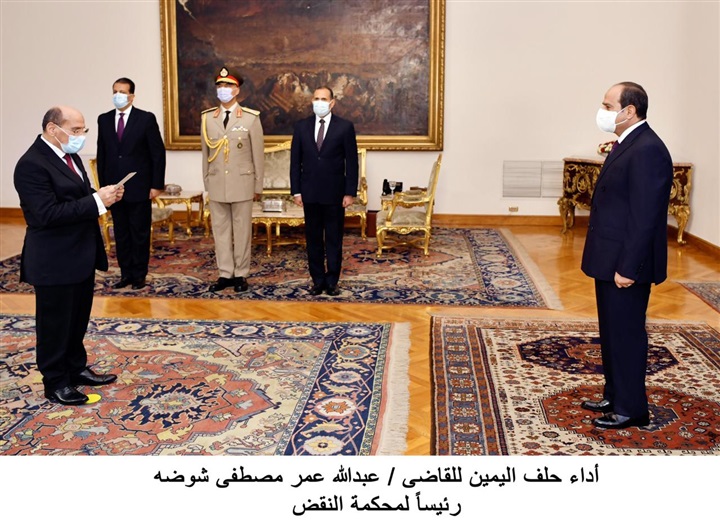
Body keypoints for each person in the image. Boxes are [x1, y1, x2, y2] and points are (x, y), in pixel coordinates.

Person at [14, 106, 124, 405]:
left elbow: (78, 196)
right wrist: (96, 201)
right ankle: (55, 382)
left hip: (79, 254)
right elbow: (45, 215)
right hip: (54, 259)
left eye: (82, 130)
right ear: (53, 129)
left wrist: (104, 196)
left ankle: (75, 369)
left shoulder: (68, 156)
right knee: (55, 325)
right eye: (75, 130)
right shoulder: (31, 164)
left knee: (76, 319)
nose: (80, 136)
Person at [580, 82, 673, 429]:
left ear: (629, 110)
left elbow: (645, 216)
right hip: (610, 258)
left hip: (626, 263)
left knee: (627, 335)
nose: (602, 111)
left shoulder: (648, 149)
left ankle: (632, 409)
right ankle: (615, 395)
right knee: (611, 332)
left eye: (608, 105)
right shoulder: (628, 142)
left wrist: (628, 267)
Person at [96, 77, 166, 290]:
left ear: (132, 96)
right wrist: (104, 187)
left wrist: (156, 185)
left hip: (139, 187)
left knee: (139, 232)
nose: (118, 95)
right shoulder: (104, 119)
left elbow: (157, 153)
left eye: (123, 92)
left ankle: (139, 275)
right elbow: (102, 153)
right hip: (114, 189)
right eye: (115, 91)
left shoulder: (145, 119)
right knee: (121, 233)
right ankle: (125, 274)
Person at [290, 87, 358, 296]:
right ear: (312, 101)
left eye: (323, 99)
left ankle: (332, 281)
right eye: (316, 98)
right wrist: (296, 191)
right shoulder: (301, 126)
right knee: (313, 239)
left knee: (333, 239)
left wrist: (349, 192)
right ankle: (317, 280)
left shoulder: (345, 127)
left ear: (332, 103)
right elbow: (295, 162)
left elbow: (352, 162)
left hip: (335, 193)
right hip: (309, 193)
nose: (319, 102)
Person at [201, 67, 264, 293]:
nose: (223, 89)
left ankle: (241, 274)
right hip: (217, 182)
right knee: (220, 230)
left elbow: (258, 155)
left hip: (242, 183)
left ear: (237, 90)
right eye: (220, 85)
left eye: (228, 85)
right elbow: (206, 154)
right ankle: (225, 273)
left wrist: (258, 186)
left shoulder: (250, 118)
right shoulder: (207, 118)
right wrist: (207, 183)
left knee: (242, 231)